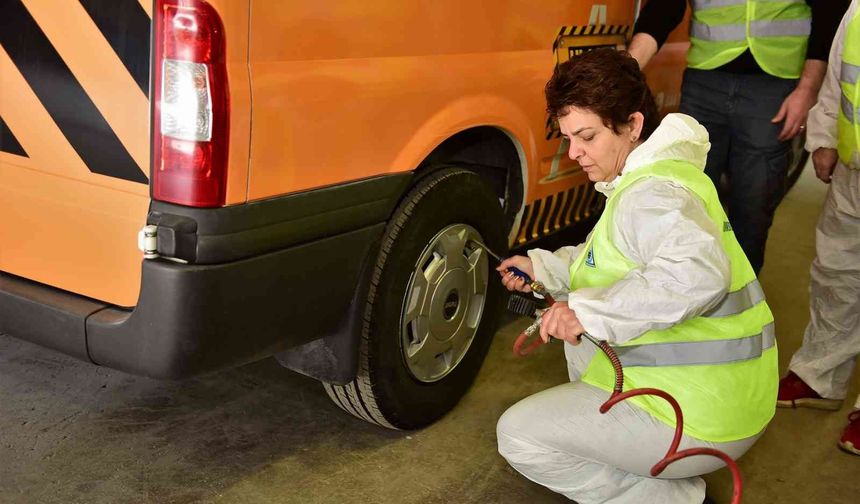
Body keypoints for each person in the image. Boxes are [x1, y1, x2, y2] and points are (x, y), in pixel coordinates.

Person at [494, 48, 777, 504]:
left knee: (521, 436)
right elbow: (605, 258)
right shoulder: (653, 180)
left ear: (633, 125)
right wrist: (541, 267)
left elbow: (698, 276)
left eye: (586, 136)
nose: (575, 153)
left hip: (700, 413)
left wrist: (585, 312)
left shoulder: (653, 194)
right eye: (568, 138)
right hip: (729, 397)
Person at [628, 0, 849, 275]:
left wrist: (808, 88)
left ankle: (741, 308)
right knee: (680, 201)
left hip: (773, 86)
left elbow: (828, 12)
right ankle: (677, 299)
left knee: (752, 211)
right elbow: (664, 7)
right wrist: (625, 70)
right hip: (704, 81)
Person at [775, 0, 860, 456]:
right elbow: (839, 78)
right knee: (836, 275)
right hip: (853, 172)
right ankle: (819, 377)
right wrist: (824, 138)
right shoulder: (858, 10)